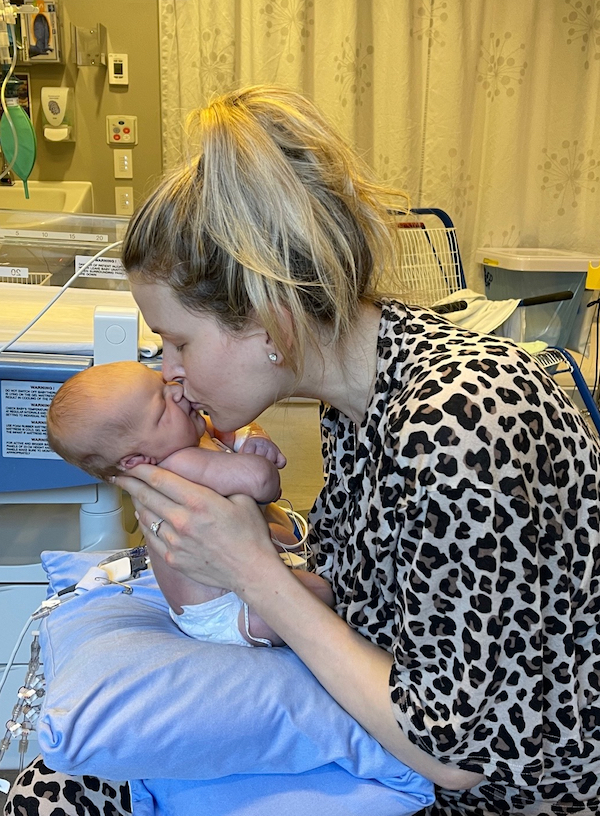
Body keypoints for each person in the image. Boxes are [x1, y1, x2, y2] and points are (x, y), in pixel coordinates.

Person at [6, 85, 599, 816]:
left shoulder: (462, 418)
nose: (170, 372)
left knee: (65, 796)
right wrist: (277, 536)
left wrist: (254, 574)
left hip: (500, 793)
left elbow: (459, 752)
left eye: (180, 341)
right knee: (64, 778)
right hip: (380, 721)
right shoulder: (356, 400)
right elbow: (386, 579)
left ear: (267, 314)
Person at [45, 360, 333, 648]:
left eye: (161, 383)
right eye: (161, 409)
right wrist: (256, 457)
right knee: (322, 592)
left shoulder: (179, 437)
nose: (176, 393)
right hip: (223, 611)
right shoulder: (178, 464)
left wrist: (252, 436)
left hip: (240, 577)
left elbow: (228, 428)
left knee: (285, 541)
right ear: (136, 461)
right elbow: (263, 482)